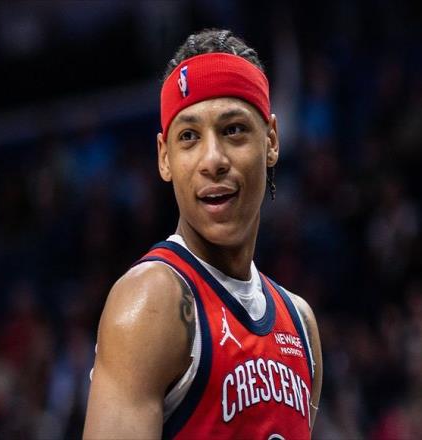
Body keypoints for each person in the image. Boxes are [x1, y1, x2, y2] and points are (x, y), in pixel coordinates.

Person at [83, 29, 322, 439]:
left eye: (233, 130)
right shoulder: (152, 300)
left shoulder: (301, 325)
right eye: (189, 137)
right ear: (165, 157)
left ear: (271, 141)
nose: (212, 160)